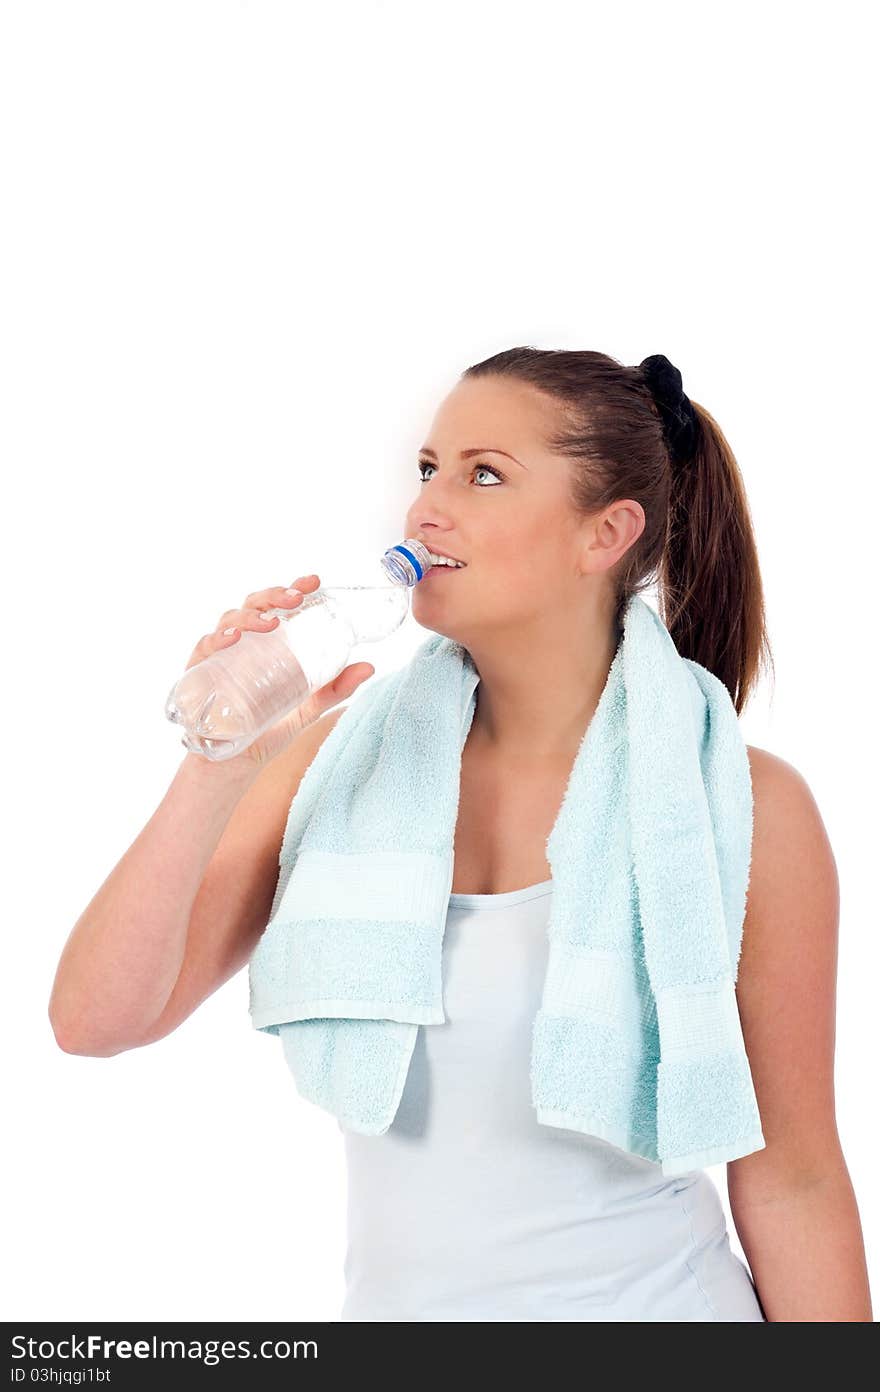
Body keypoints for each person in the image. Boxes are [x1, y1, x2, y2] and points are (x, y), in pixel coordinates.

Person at [49, 347, 872, 1322]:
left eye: (483, 474)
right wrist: (216, 769)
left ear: (604, 533)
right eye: (428, 469)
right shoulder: (335, 767)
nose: (426, 507)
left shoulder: (735, 805)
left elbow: (793, 1183)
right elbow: (93, 1022)